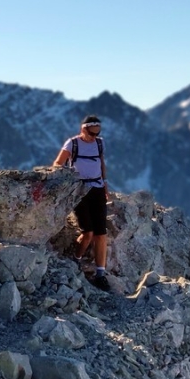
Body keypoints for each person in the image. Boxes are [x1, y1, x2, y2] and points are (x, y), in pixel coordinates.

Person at [53, 114, 112, 291]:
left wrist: (105, 183)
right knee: (88, 232)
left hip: (97, 189)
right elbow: (58, 163)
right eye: (92, 133)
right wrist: (66, 182)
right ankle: (75, 260)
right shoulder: (73, 144)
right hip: (79, 191)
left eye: (97, 133)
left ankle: (100, 273)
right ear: (83, 129)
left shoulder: (99, 143)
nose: (94, 137)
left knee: (101, 234)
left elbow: (100, 162)